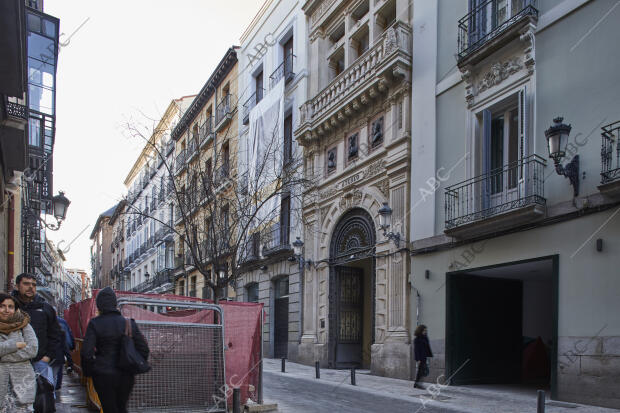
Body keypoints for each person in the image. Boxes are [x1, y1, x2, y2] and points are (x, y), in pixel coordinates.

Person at [81, 287, 149, 413]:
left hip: (102, 374)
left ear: (99, 305)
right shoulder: (129, 323)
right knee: (122, 407)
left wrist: (90, 372)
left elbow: (86, 353)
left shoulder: (95, 323)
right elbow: (144, 349)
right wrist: (133, 365)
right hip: (126, 374)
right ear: (115, 303)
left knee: (109, 408)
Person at [12, 273, 64, 412]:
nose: (31, 287)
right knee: (15, 400)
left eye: (33, 285)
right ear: (17, 286)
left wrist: (47, 357)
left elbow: (55, 334)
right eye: (26, 284)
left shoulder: (45, 308)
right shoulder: (9, 307)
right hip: (14, 363)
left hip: (39, 362)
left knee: (44, 399)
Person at [0, 292, 39, 413]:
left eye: (10, 307)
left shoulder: (24, 325)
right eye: (2, 306)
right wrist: (15, 345)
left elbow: (32, 350)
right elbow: (24, 350)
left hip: (23, 384)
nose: (6, 310)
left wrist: (2, 356)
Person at [55, 317, 75, 391]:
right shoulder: (62, 322)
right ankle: (57, 386)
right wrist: (72, 346)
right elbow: (68, 337)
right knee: (58, 370)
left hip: (45, 355)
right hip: (59, 354)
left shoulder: (43, 321)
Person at [413, 324, 433, 389]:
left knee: (422, 371)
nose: (425, 332)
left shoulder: (425, 337)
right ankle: (418, 384)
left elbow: (427, 347)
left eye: (426, 330)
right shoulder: (417, 339)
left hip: (425, 357)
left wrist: (429, 355)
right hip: (420, 358)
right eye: (424, 330)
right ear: (420, 330)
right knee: (421, 371)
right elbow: (416, 350)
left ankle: (417, 384)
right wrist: (418, 359)